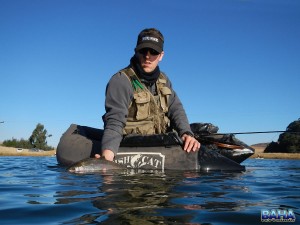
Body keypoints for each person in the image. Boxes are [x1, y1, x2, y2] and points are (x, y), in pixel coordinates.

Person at [97, 28, 200, 161]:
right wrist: (107, 158)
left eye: (154, 52)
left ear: (161, 55)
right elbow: (115, 122)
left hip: (159, 142)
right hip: (132, 144)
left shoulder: (164, 80)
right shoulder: (121, 80)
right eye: (143, 50)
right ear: (136, 51)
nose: (148, 56)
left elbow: (176, 109)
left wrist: (186, 133)